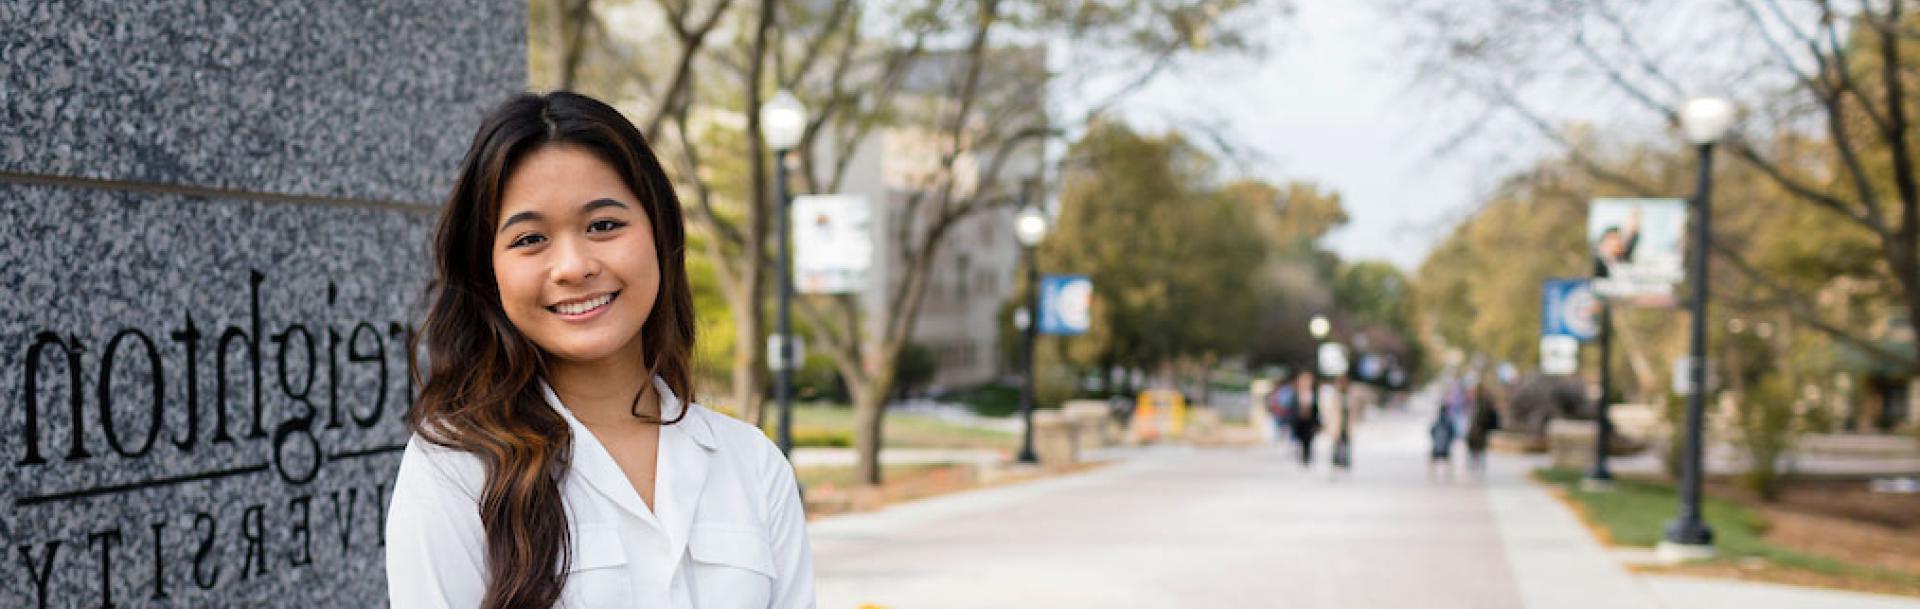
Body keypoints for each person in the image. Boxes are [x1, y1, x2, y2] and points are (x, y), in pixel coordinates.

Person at [385, 92, 815, 609]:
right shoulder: (455, 468)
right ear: (487, 270)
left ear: (658, 232)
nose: (573, 266)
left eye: (604, 226)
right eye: (529, 239)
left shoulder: (752, 465)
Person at [1465, 377, 1501, 475]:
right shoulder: (1480, 400)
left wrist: (1477, 425)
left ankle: (1476, 465)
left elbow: (1481, 415)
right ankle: (1477, 465)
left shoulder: (1482, 401)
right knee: (1478, 446)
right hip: (1481, 428)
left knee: (1476, 446)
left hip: (1479, 427)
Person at [1288, 373, 1321, 466]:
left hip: (1309, 421)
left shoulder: (1313, 394)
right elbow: (1292, 408)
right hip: (1299, 421)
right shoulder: (1295, 394)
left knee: (1308, 440)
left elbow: (1316, 409)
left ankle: (1306, 457)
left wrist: (1317, 423)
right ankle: (1302, 455)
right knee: (1300, 439)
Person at [1427, 400, 1456, 481]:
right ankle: (1449, 477)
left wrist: (1435, 440)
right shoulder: (1448, 421)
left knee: (1433, 461)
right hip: (1445, 446)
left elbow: (1431, 431)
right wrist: (1449, 441)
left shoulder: (1438, 421)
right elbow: (1452, 433)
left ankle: (1432, 477)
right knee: (1447, 461)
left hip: (1437, 446)